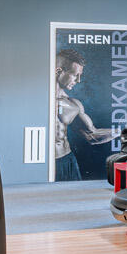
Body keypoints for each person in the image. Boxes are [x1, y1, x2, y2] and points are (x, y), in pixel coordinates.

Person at [53, 47, 115, 181]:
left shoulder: (73, 104)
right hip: (45, 161)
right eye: (75, 75)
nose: (78, 80)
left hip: (66, 161)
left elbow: (92, 136)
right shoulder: (37, 100)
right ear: (58, 71)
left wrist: (123, 132)